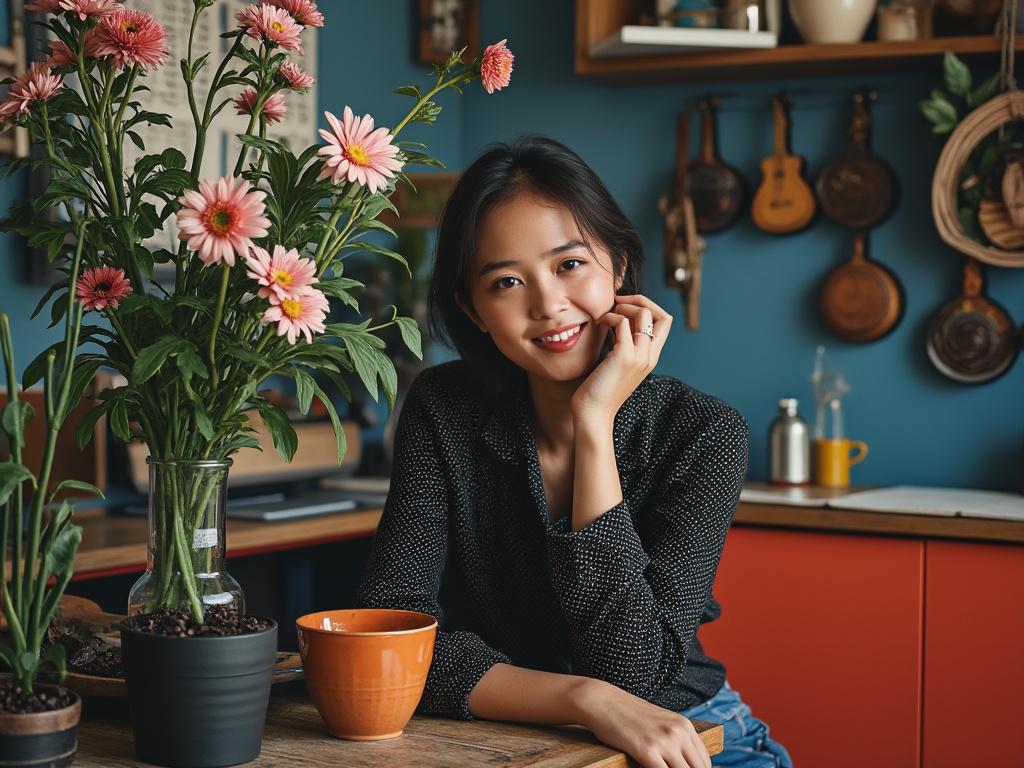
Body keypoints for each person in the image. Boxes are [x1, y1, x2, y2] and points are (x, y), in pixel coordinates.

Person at [356, 136, 792, 768]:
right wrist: (583, 698)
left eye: (569, 265)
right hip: (511, 735)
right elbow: (390, 634)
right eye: (506, 281)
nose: (549, 305)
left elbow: (633, 671)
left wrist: (594, 422)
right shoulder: (444, 407)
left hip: (687, 737)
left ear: (616, 264)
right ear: (473, 310)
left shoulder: (704, 432)